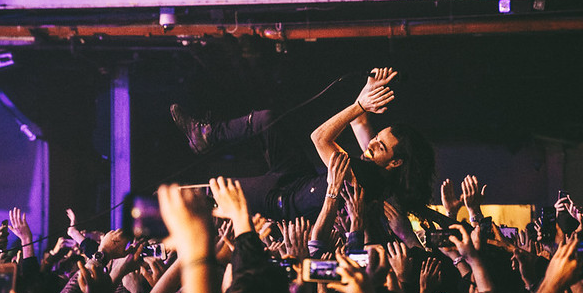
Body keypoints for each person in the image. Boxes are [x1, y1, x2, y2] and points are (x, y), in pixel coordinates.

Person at [170, 68, 439, 227]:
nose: (371, 143)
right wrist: (369, 90)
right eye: (377, 137)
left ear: (395, 163)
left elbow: (319, 138)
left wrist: (358, 105)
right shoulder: (374, 162)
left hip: (284, 201)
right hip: (299, 178)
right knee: (266, 120)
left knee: (220, 191)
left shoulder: (366, 177)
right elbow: (360, 124)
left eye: (380, 146)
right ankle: (205, 134)